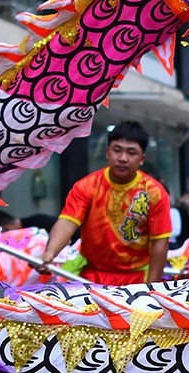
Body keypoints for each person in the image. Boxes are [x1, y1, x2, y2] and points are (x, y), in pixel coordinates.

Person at [44, 122, 173, 285]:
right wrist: (50, 253)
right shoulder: (86, 186)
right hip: (91, 277)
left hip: (136, 280)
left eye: (131, 153)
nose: (122, 158)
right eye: (117, 150)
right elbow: (68, 222)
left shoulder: (155, 193)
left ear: (142, 159)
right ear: (107, 152)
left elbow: (160, 242)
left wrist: (151, 288)